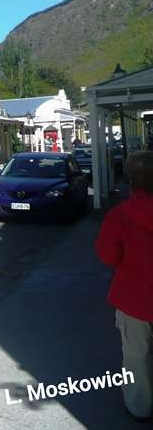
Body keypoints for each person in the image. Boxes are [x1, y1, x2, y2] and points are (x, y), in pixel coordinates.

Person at [95, 151, 153, 422]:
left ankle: (140, 406)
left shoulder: (120, 215)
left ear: (132, 180)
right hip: (135, 298)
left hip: (134, 299)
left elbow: (107, 256)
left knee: (136, 357)